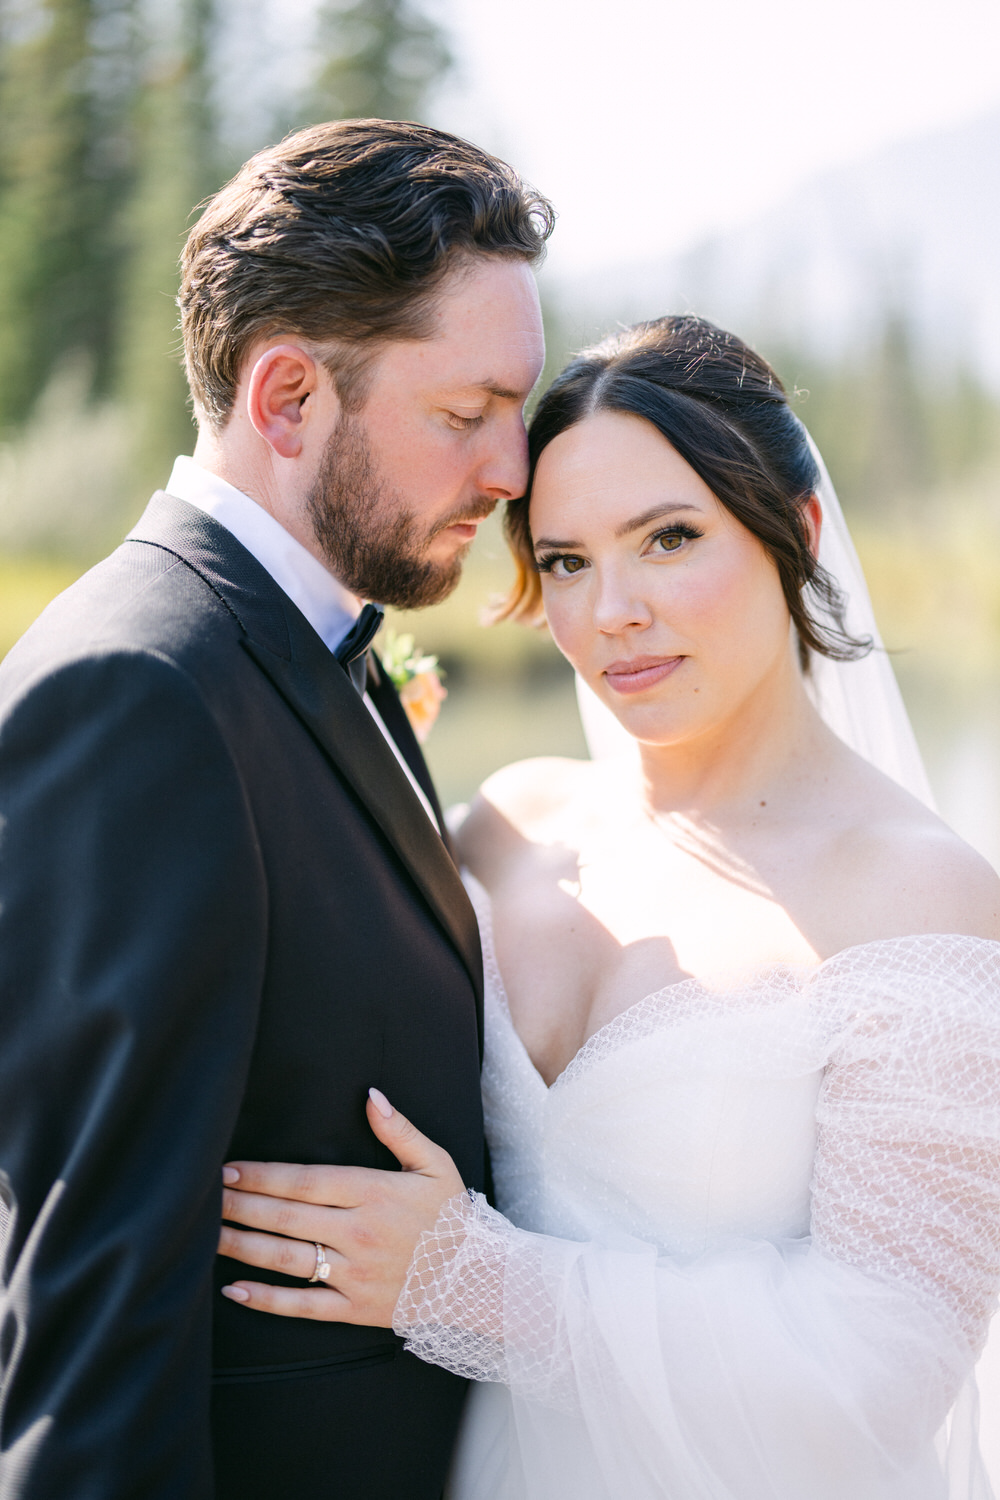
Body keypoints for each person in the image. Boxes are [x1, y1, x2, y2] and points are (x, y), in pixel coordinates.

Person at [217, 316, 1000, 1499]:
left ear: (798, 530)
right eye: (568, 559)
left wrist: (462, 1281)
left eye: (668, 539)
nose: (609, 612)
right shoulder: (507, 826)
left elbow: (875, 1377)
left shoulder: (920, 897)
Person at [0, 120, 549, 1498]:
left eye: (517, 415)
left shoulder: (307, 652)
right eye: (466, 413)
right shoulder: (141, 692)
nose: (512, 474)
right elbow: (93, 1323)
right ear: (290, 397)